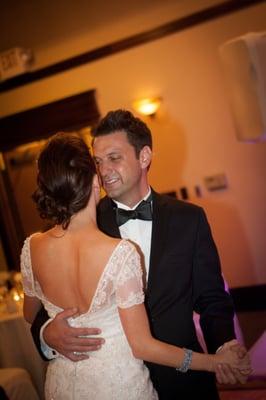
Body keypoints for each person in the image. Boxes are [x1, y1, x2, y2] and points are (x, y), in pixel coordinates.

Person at [29, 113, 251, 399]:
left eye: (114, 157)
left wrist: (224, 346)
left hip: (185, 380)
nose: (103, 170)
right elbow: (42, 304)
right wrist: (47, 335)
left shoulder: (189, 219)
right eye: (97, 161)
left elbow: (211, 298)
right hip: (115, 384)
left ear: (144, 156)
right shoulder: (80, 222)